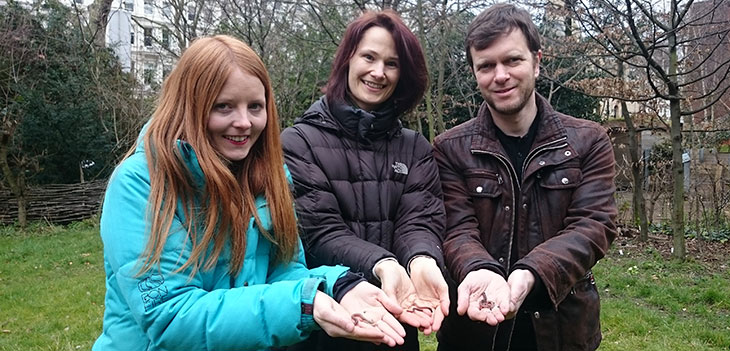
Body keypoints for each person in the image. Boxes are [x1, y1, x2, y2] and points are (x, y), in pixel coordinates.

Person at [93, 35, 410, 351]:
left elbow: (284, 269)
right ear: (188, 105)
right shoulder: (141, 183)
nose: (243, 122)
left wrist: (338, 286)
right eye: (223, 107)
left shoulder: (269, 175)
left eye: (255, 107)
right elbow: (170, 316)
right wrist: (303, 305)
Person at [433, 4, 618, 351]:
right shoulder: (449, 148)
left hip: (563, 330)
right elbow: (455, 228)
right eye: (486, 66)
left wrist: (530, 272)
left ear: (536, 60)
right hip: (473, 332)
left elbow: (593, 225)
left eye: (512, 60)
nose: (500, 75)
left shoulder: (588, 141)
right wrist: (478, 269)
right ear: (474, 73)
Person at [281, 10, 449, 351]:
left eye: (392, 63)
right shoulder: (298, 143)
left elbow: (419, 220)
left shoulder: (414, 147)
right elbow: (319, 231)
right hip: (324, 327)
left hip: (396, 328)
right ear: (347, 60)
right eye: (369, 57)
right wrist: (383, 264)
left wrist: (421, 259)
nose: (378, 72)